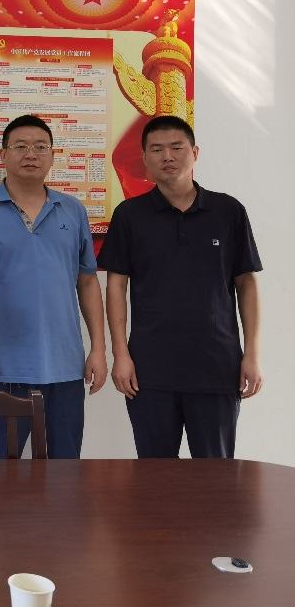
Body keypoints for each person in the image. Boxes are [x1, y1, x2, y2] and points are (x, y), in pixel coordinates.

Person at [97, 115, 262, 458]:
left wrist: (252, 354)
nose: (167, 156)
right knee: (155, 473)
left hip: (217, 366)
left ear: (195, 152)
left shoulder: (228, 211)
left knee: (215, 472)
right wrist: (121, 355)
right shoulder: (130, 215)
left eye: (177, 147)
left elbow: (246, 283)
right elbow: (116, 287)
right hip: (149, 369)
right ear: (144, 158)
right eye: (157, 149)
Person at [0, 114, 106, 458]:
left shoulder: (72, 210)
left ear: (52, 156)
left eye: (40, 147)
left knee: (65, 470)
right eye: (20, 146)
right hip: (0, 366)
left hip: (66, 365)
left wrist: (98, 348)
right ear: (3, 155)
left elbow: (88, 282)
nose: (31, 154)